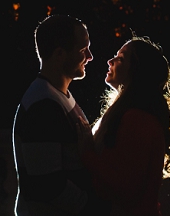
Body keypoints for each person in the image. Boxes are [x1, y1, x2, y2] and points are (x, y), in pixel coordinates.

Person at [13, 15, 110, 216]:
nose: (90, 56)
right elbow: (47, 185)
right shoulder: (43, 106)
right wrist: (95, 207)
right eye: (83, 50)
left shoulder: (57, 96)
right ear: (59, 54)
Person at [79, 38, 170, 216]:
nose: (110, 61)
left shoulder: (138, 119)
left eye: (120, 58)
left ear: (136, 70)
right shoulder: (133, 115)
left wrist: (86, 154)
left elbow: (127, 188)